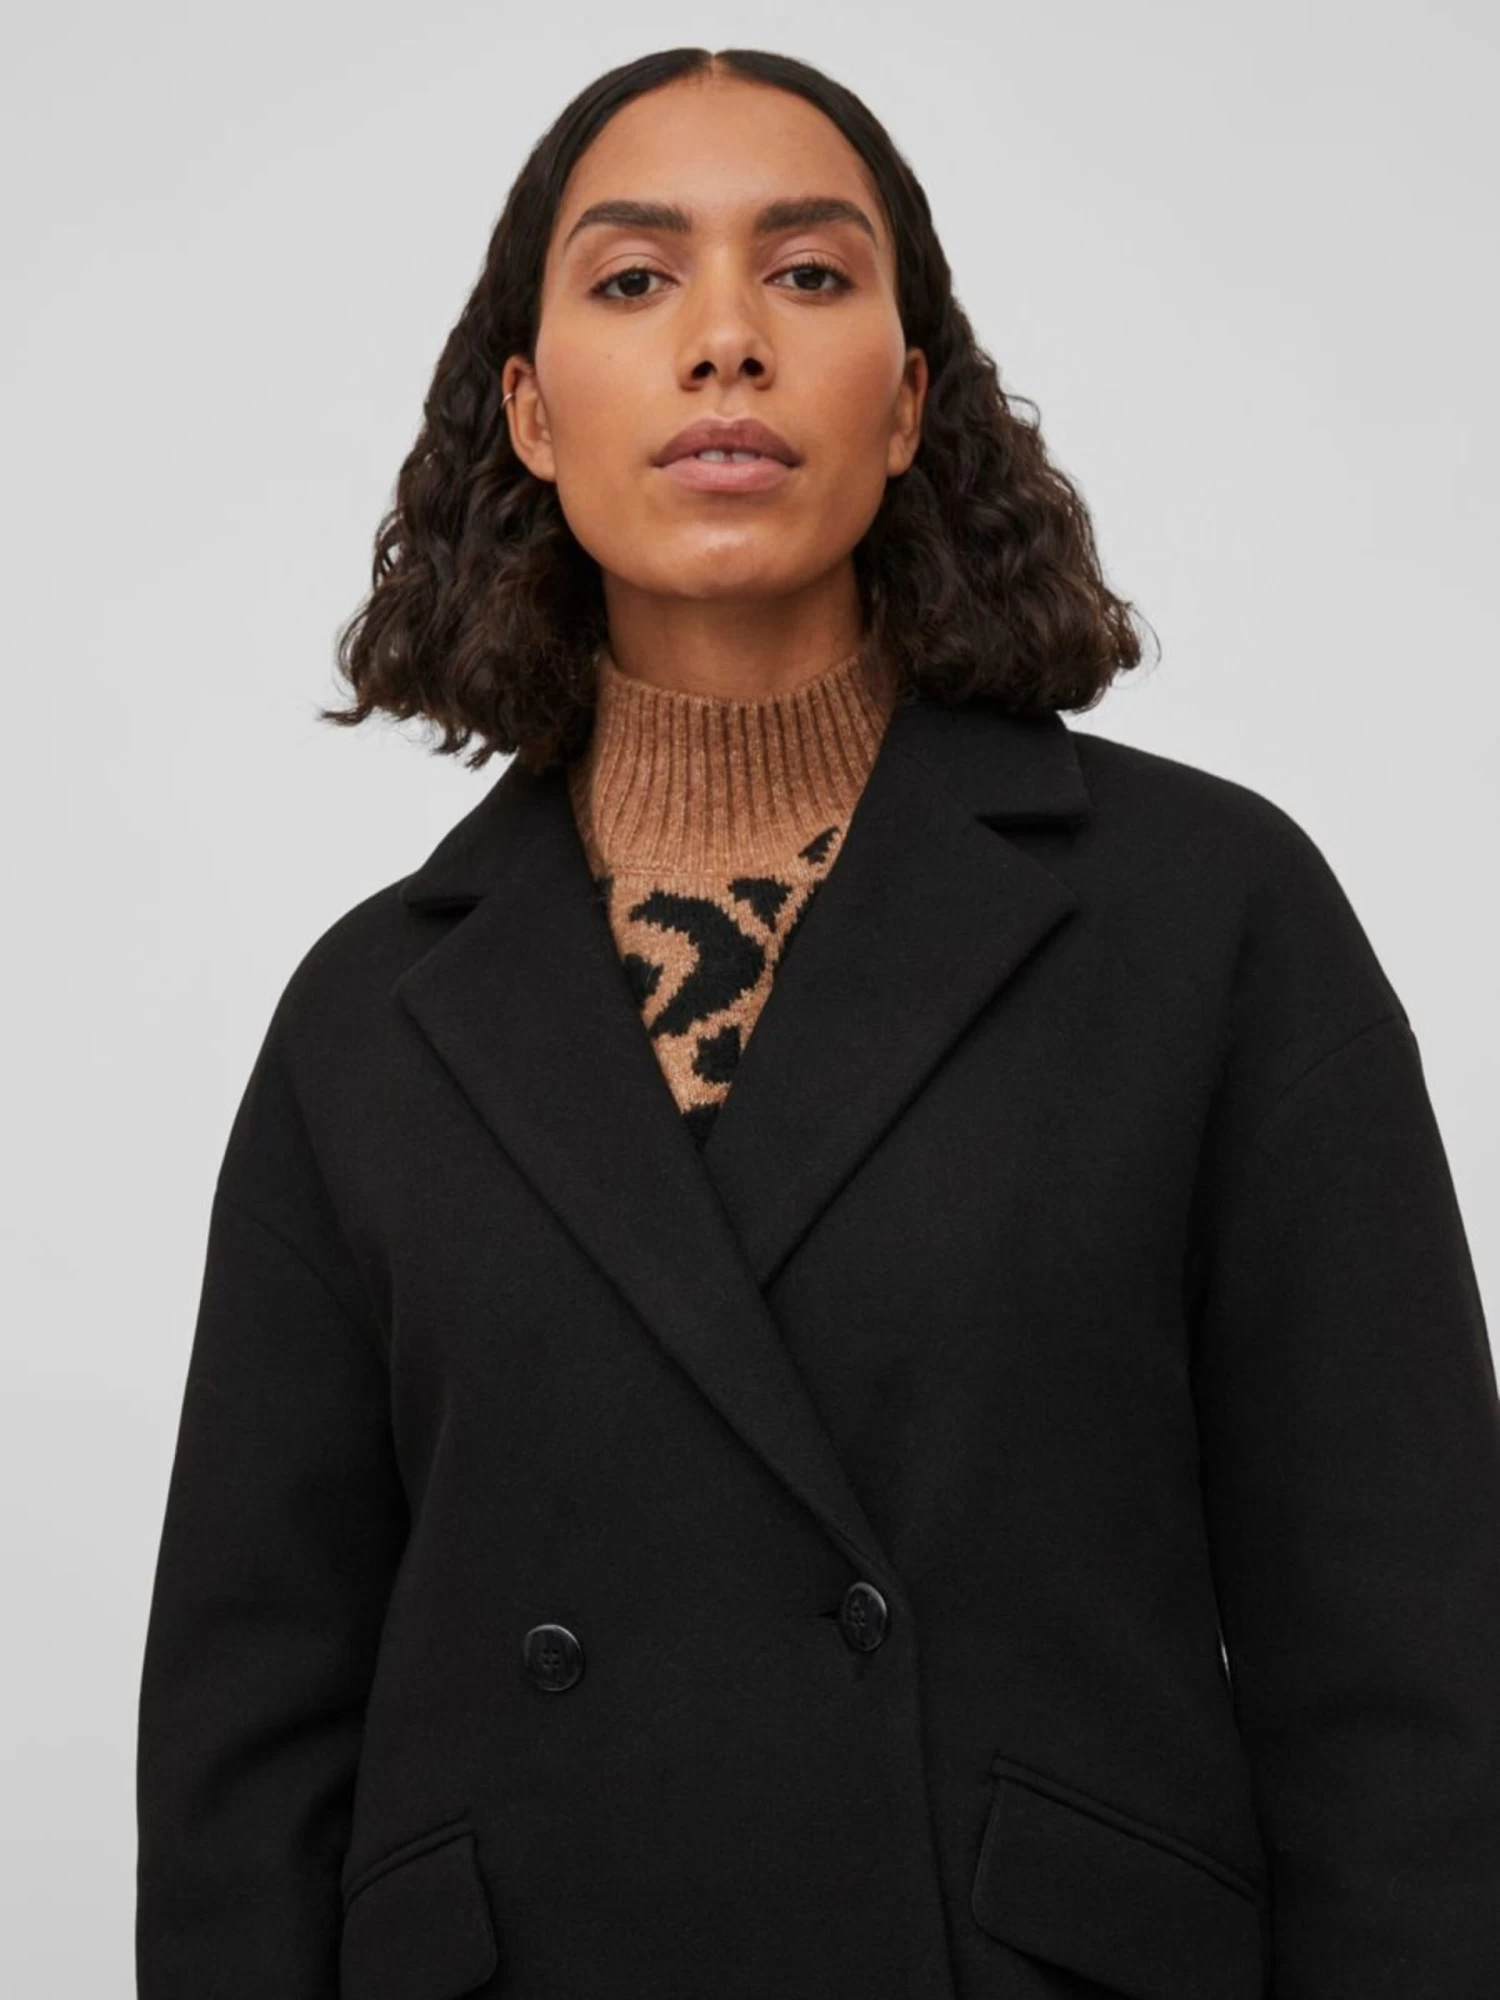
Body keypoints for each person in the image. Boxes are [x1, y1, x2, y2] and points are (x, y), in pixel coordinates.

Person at [135, 44, 1500, 2000]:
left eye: (806, 272)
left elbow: (1408, 1677)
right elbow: (241, 1769)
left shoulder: (1209, 919)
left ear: (909, 396)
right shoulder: (366, 1021)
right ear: (531, 411)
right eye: (633, 278)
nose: (725, 339)